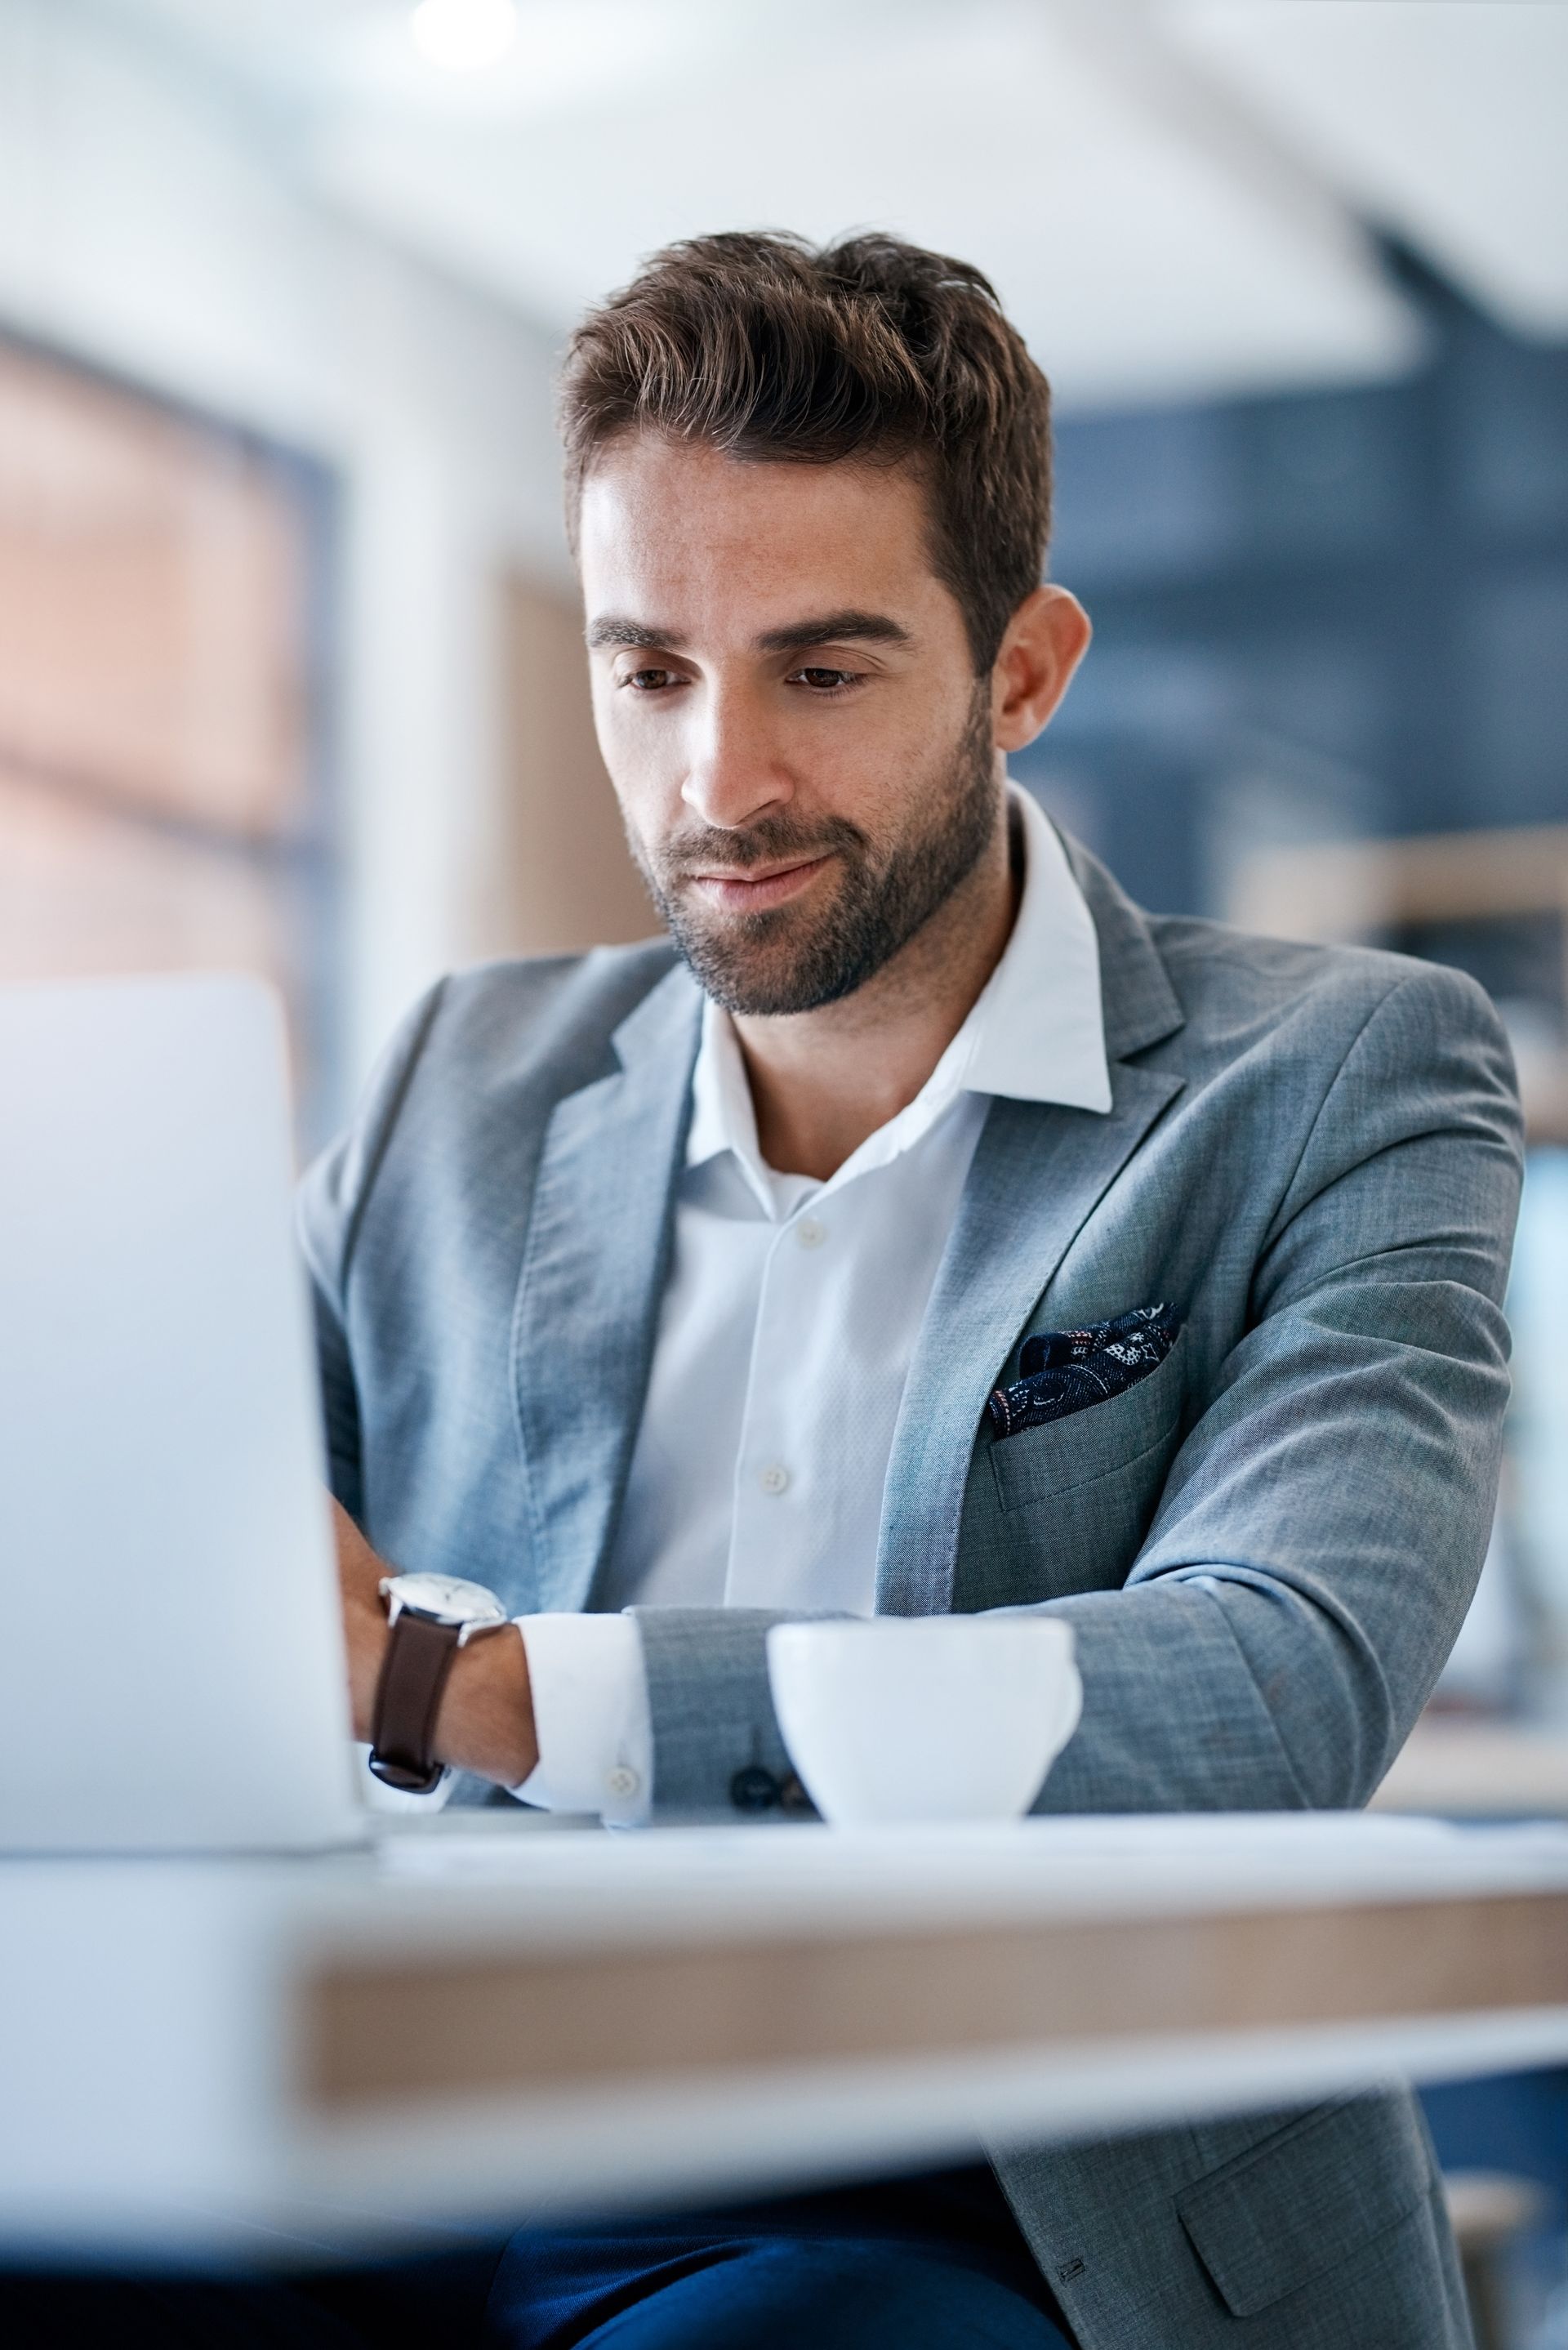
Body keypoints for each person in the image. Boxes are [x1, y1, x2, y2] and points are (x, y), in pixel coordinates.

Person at [49, 230, 1515, 2350]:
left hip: (1006, 2194)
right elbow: (170, 1567)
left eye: (822, 672)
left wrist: (477, 1695)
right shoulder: (469, 1077)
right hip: (431, 2143)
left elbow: (1267, 1685)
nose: (716, 784)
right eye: (649, 670)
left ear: (1023, 671)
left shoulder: (1339, 1080)